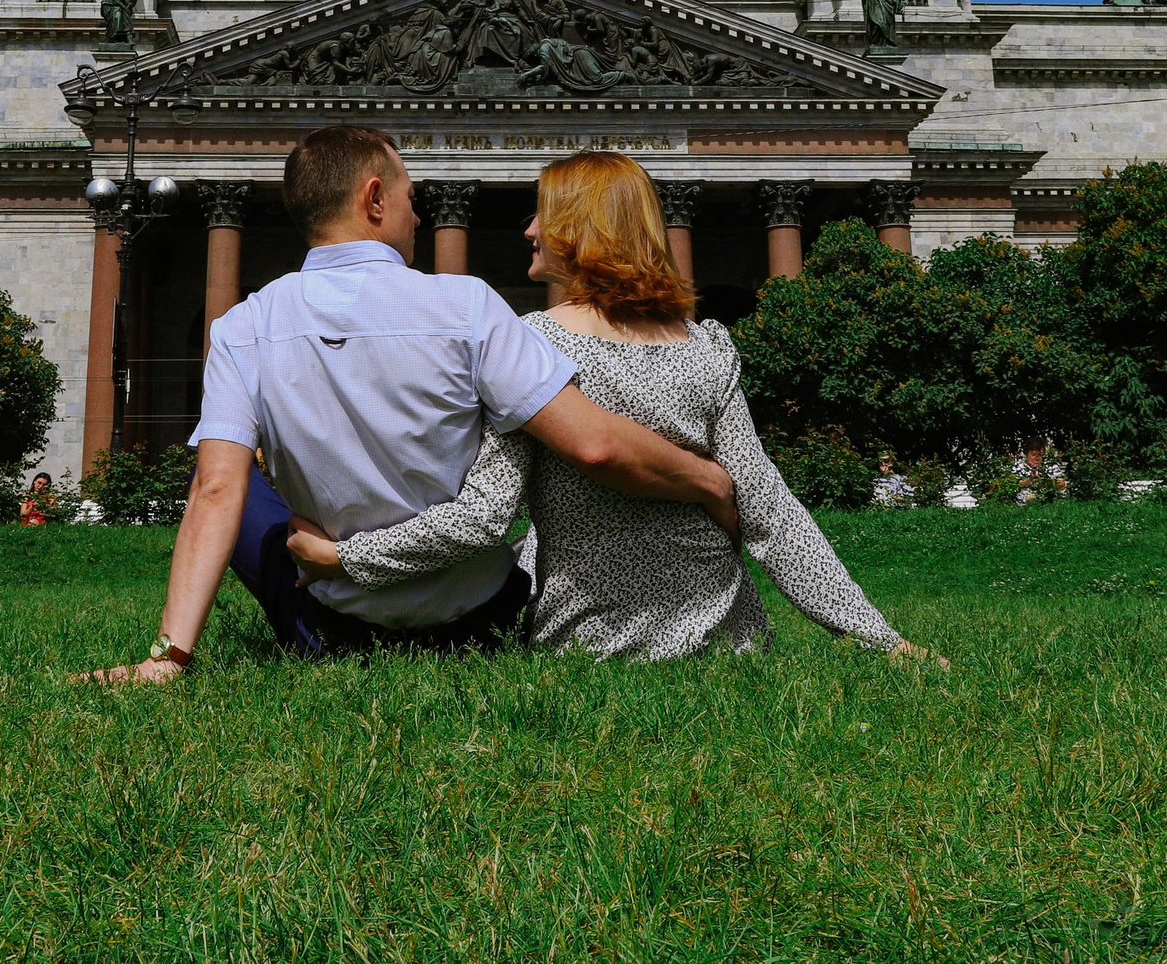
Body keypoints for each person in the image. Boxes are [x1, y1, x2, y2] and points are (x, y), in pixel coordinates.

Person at [79, 126, 740, 684]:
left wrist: (167, 656)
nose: (419, 216)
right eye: (410, 198)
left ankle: (219, 646)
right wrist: (707, 478)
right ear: (373, 199)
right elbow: (594, 444)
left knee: (226, 478)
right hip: (480, 623)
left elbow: (218, 490)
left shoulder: (242, 326)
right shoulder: (469, 305)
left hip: (333, 625)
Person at [289, 151, 935, 664]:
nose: (529, 229)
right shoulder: (706, 347)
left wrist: (346, 558)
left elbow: (482, 516)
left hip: (590, 645)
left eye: (544, 214)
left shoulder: (534, 345)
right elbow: (771, 513)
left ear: (582, 229)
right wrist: (883, 640)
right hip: (727, 643)